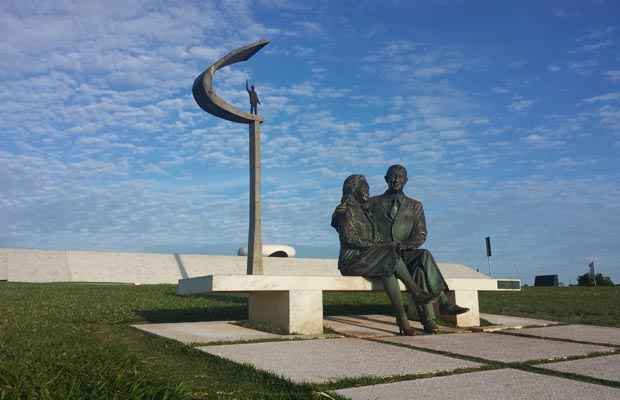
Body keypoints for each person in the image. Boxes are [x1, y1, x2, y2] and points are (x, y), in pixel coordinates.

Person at [370, 164, 469, 334]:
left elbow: (420, 234)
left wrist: (405, 245)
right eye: (393, 176)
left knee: (423, 258)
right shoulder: (373, 203)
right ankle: (435, 312)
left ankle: (436, 313)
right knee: (420, 271)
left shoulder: (415, 206)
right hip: (382, 256)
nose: (396, 179)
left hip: (405, 253)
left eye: (400, 176)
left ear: (406, 180)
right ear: (386, 179)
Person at [331, 174, 433, 335]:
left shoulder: (365, 211)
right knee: (389, 254)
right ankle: (417, 293)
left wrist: (380, 243)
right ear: (354, 189)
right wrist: (380, 245)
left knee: (388, 271)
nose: (367, 192)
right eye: (364, 188)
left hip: (367, 258)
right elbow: (350, 239)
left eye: (368, 188)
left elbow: (375, 236)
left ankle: (403, 320)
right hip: (351, 260)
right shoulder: (345, 211)